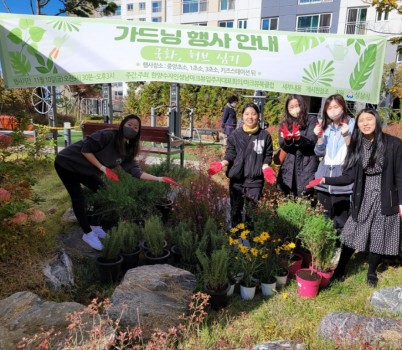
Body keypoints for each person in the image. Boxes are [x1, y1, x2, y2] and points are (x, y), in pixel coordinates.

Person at [306, 109, 402, 287]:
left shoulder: (394, 144)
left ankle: (372, 272)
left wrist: (401, 202)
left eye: (369, 119)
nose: (365, 123)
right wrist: (324, 179)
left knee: (379, 236)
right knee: (351, 233)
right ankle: (340, 268)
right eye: (361, 121)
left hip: (385, 195)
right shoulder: (356, 146)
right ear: (356, 125)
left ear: (377, 121)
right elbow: (349, 177)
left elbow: (400, 176)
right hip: (363, 196)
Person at [54, 114, 178, 251]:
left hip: (84, 170)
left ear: (138, 132)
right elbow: (85, 149)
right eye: (129, 124)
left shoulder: (126, 149)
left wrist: (160, 178)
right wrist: (103, 168)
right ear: (122, 125)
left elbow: (136, 172)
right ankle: (88, 234)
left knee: (103, 191)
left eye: (135, 127)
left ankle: (94, 226)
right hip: (67, 162)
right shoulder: (108, 135)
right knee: (78, 197)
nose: (131, 128)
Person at [208, 103, 275, 228]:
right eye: (247, 114)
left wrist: (266, 167)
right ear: (242, 116)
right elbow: (230, 154)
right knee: (235, 212)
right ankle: (235, 241)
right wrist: (222, 163)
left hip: (255, 181)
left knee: (251, 213)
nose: (250, 117)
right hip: (237, 180)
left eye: (254, 114)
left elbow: (268, 155)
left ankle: (250, 242)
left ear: (258, 116)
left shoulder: (265, 136)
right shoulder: (235, 135)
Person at [312, 94, 355, 231]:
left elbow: (355, 153)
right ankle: (323, 250)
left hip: (341, 179)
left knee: (340, 221)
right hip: (323, 178)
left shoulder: (353, 124)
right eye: (329, 108)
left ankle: (339, 250)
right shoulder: (326, 127)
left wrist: (347, 135)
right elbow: (319, 152)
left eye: (336, 107)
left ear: (343, 107)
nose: (333, 110)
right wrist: (319, 137)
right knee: (323, 219)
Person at [277, 94, 319, 197]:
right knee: (288, 196)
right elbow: (282, 144)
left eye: (297, 105)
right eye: (291, 107)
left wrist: (299, 138)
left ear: (302, 105)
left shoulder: (311, 120)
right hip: (289, 165)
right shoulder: (284, 124)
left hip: (307, 165)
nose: (295, 109)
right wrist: (287, 140)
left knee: (304, 197)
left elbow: (312, 140)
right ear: (287, 109)